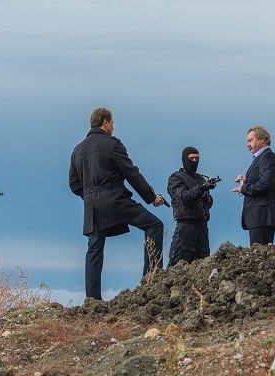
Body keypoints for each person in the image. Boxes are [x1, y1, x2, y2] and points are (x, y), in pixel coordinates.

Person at [69, 107, 166, 300]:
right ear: (104, 122)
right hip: (114, 199)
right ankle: (151, 280)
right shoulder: (112, 144)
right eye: (112, 122)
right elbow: (132, 173)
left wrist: (89, 197)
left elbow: (73, 184)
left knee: (94, 250)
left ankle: (92, 300)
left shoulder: (77, 150)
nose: (113, 126)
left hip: (91, 206)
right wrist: (151, 197)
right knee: (155, 225)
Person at [232, 126, 275, 245]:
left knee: (261, 257)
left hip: (263, 217)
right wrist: (245, 181)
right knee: (260, 257)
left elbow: (265, 184)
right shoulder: (261, 158)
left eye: (250, 140)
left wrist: (243, 188)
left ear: (262, 139)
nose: (247, 144)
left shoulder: (268, 157)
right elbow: (262, 181)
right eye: (247, 141)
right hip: (258, 217)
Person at [167, 147, 216, 266]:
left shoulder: (200, 178)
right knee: (177, 268)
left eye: (197, 158)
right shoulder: (176, 178)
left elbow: (207, 204)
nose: (194, 161)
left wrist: (207, 195)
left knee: (203, 268)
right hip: (185, 230)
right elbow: (184, 197)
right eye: (191, 158)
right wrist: (202, 188)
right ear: (184, 159)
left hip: (202, 229)